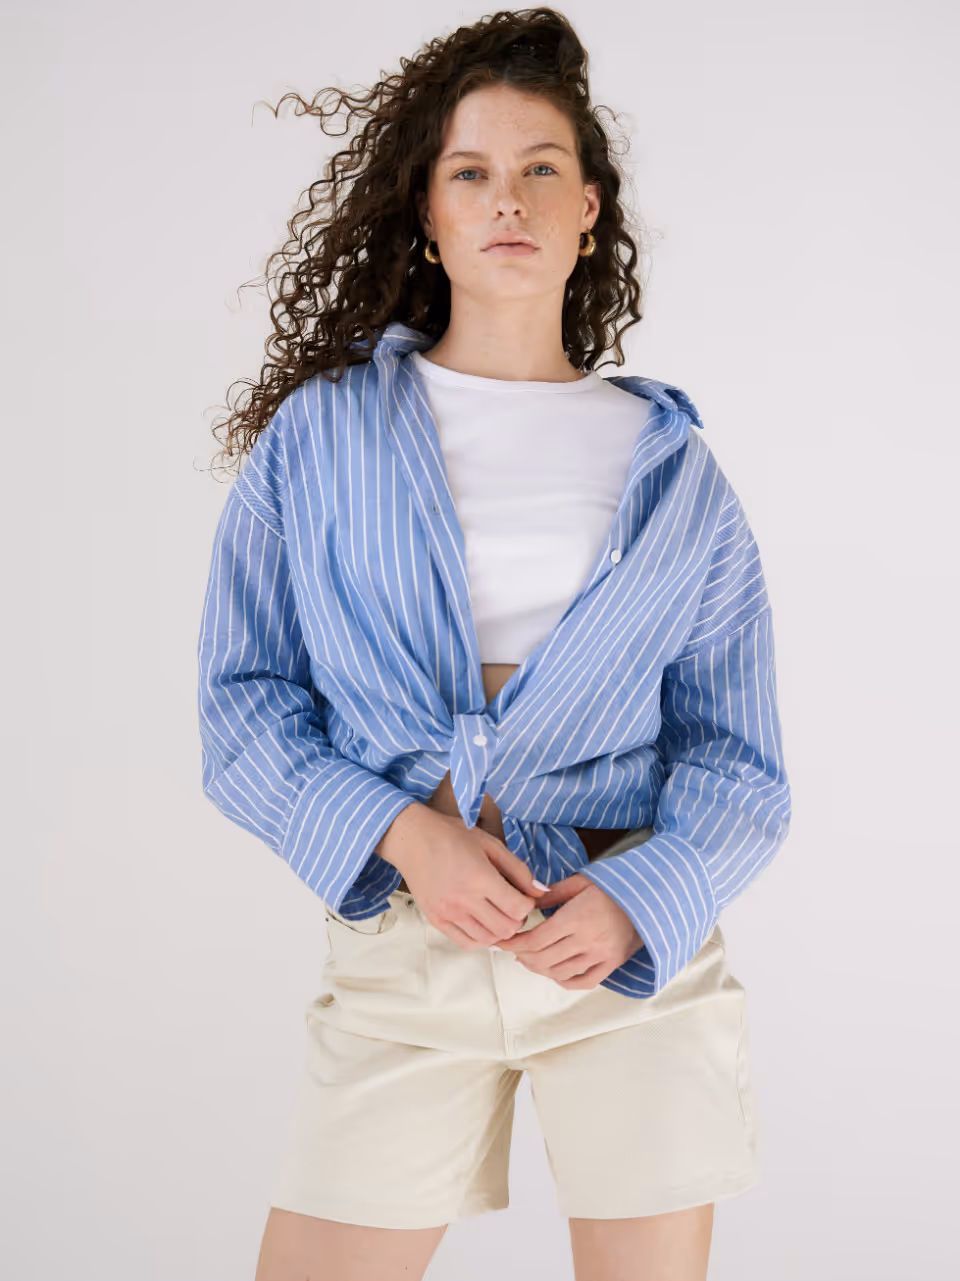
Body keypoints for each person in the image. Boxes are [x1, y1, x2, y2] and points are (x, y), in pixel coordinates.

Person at [197, 9, 791, 1280]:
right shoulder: (321, 437)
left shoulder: (676, 470)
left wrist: (640, 904)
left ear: (589, 211)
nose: (506, 199)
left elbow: (739, 764)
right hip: (406, 947)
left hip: (625, 959)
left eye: (540, 169)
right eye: (470, 171)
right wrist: (408, 835)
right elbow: (243, 709)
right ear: (428, 210)